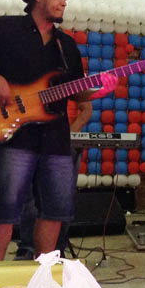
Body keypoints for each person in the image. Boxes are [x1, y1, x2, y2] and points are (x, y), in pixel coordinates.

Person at [0, 0, 117, 261]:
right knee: (3, 209)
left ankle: (44, 273)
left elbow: (78, 93)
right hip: (15, 136)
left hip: (56, 138)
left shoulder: (66, 45)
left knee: (55, 209)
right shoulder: (3, 28)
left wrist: (101, 90)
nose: (64, 2)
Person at [14, 98, 92, 260]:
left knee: (61, 200)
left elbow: (86, 109)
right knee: (30, 198)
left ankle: (57, 248)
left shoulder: (71, 82)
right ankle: (28, 247)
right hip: (35, 141)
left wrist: (67, 136)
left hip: (63, 145)